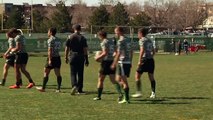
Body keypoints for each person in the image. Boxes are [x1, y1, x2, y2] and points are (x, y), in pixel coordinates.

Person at [93, 30, 123, 101]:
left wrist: (97, 57)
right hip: (112, 61)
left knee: (100, 79)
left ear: (100, 36)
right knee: (113, 80)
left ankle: (98, 96)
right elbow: (116, 52)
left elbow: (105, 53)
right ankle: (120, 94)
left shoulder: (104, 42)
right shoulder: (111, 42)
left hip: (105, 63)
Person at [131, 28, 156, 99]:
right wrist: (151, 56)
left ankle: (138, 92)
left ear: (141, 34)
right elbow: (154, 51)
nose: (138, 35)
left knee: (137, 76)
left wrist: (139, 60)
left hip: (144, 60)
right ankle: (153, 93)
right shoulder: (149, 40)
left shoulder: (142, 40)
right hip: (151, 60)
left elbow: (142, 50)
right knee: (151, 76)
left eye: (138, 33)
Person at [65, 24, 89, 95]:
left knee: (73, 73)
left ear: (73, 29)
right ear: (80, 29)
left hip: (72, 56)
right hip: (81, 56)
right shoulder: (83, 38)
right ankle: (80, 89)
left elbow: (67, 48)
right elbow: (85, 49)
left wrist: (66, 57)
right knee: (80, 73)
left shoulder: (70, 37)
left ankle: (74, 86)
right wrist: (86, 59)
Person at [111, 26, 133, 104]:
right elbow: (131, 51)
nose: (115, 34)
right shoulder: (128, 40)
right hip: (126, 62)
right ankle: (125, 95)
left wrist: (114, 63)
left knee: (124, 82)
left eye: (115, 32)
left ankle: (126, 98)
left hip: (122, 62)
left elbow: (119, 53)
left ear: (119, 32)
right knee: (117, 79)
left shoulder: (121, 41)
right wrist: (130, 61)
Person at [36, 27, 62, 92]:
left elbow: (50, 50)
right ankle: (58, 89)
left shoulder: (50, 40)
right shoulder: (58, 39)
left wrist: (50, 59)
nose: (47, 33)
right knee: (58, 74)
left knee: (46, 72)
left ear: (50, 32)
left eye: (48, 31)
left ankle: (43, 88)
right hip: (57, 57)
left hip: (52, 57)